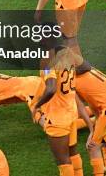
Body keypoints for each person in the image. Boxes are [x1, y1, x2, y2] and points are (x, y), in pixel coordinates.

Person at [32, 46, 91, 176]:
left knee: (63, 161)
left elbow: (51, 89)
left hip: (57, 118)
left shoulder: (48, 64)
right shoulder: (66, 54)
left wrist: (37, 105)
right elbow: (86, 66)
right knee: (72, 152)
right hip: (71, 112)